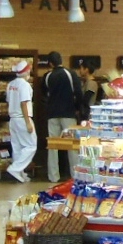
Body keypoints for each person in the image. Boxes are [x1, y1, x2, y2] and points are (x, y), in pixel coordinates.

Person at [42, 51, 81, 181]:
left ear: (50, 63)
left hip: (52, 114)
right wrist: (78, 108)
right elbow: (78, 92)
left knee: (52, 146)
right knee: (71, 145)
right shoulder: (70, 74)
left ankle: (53, 176)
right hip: (68, 113)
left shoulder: (47, 76)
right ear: (61, 60)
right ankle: (75, 175)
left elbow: (44, 94)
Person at [3, 60, 36, 183]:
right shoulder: (25, 85)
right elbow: (24, 103)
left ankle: (20, 173)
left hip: (13, 119)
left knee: (17, 147)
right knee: (31, 146)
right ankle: (15, 168)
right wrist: (28, 122)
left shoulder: (11, 84)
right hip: (23, 118)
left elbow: (8, 101)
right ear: (26, 71)